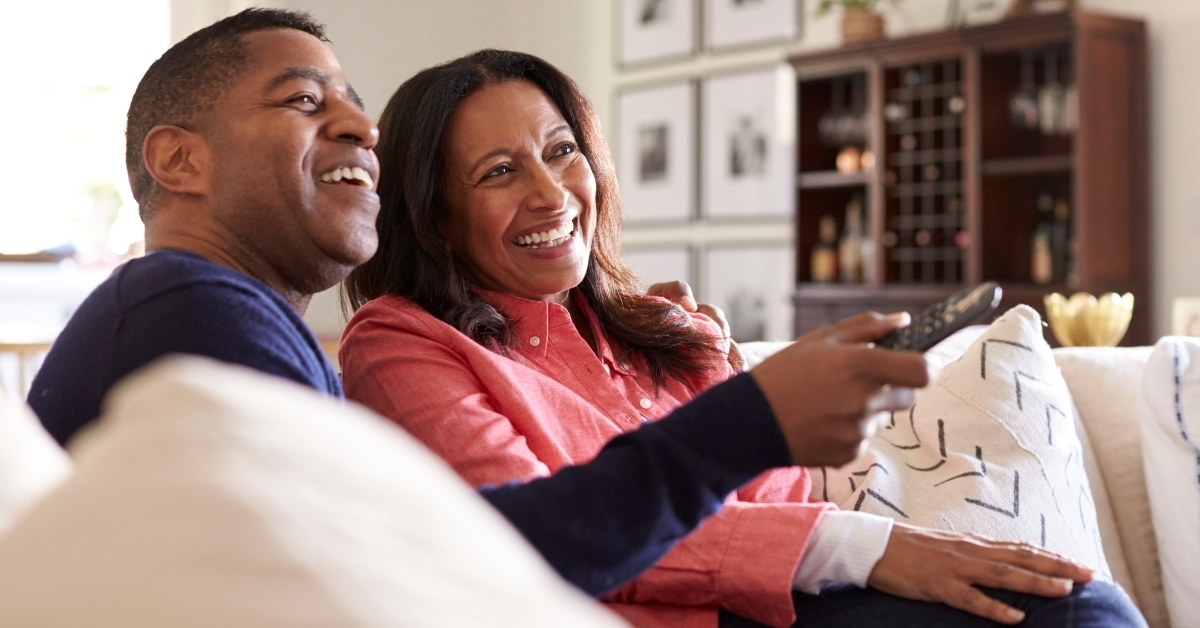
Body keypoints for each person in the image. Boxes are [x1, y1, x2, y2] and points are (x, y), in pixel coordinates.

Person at [27, 8, 933, 602]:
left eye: (355, 104)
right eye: (305, 101)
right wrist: (753, 421)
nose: (361, 128)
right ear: (179, 161)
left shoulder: (236, 326)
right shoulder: (191, 308)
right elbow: (461, 570)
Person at [337, 49, 1144, 628]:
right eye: (499, 172)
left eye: (562, 152)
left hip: (790, 602)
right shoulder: (398, 341)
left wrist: (720, 369)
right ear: (433, 215)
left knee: (1081, 602)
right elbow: (539, 536)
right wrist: (870, 547)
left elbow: (776, 499)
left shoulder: (658, 327)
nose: (554, 194)